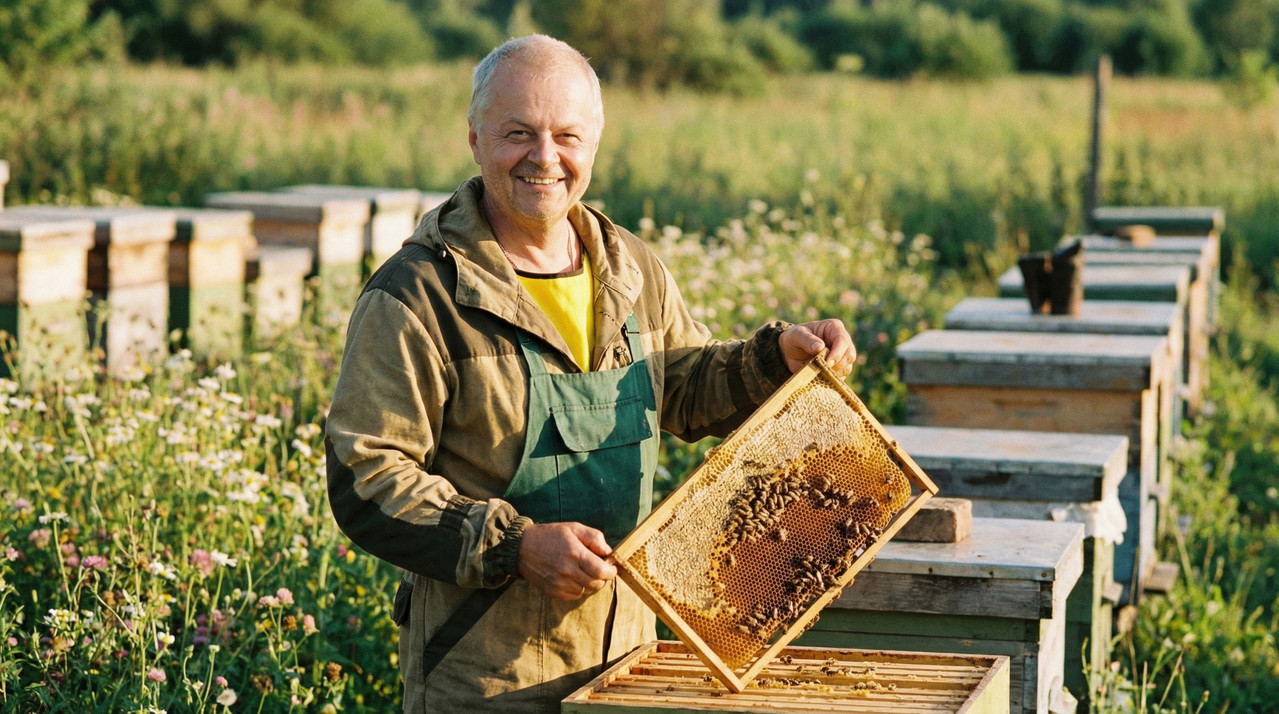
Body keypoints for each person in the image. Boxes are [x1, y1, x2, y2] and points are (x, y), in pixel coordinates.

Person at [324, 34, 856, 713]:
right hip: (482, 673)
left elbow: (683, 387)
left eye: (566, 136)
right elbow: (367, 480)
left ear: (595, 142)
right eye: (518, 133)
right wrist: (514, 547)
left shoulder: (628, 267)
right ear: (475, 138)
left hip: (627, 658)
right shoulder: (417, 294)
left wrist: (770, 362)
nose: (544, 158)